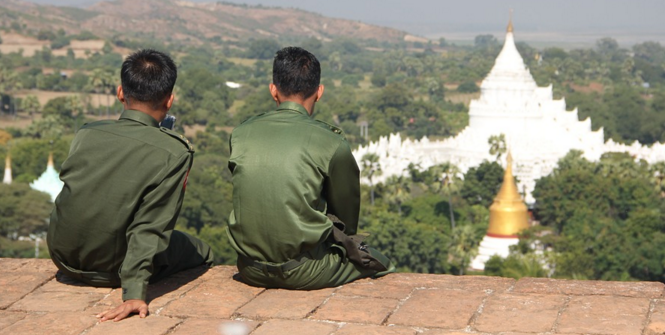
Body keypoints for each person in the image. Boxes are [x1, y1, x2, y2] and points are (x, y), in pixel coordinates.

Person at [47, 49, 213, 322]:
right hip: (109, 269)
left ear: (121, 93)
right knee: (201, 250)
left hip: (62, 258)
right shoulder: (175, 152)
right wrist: (134, 293)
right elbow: (150, 226)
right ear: (169, 101)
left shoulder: (87, 133)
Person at [226, 46, 394, 290]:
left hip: (249, 268)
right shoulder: (331, 142)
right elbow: (346, 219)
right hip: (305, 271)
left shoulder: (241, 133)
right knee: (381, 262)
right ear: (319, 92)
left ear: (273, 90)